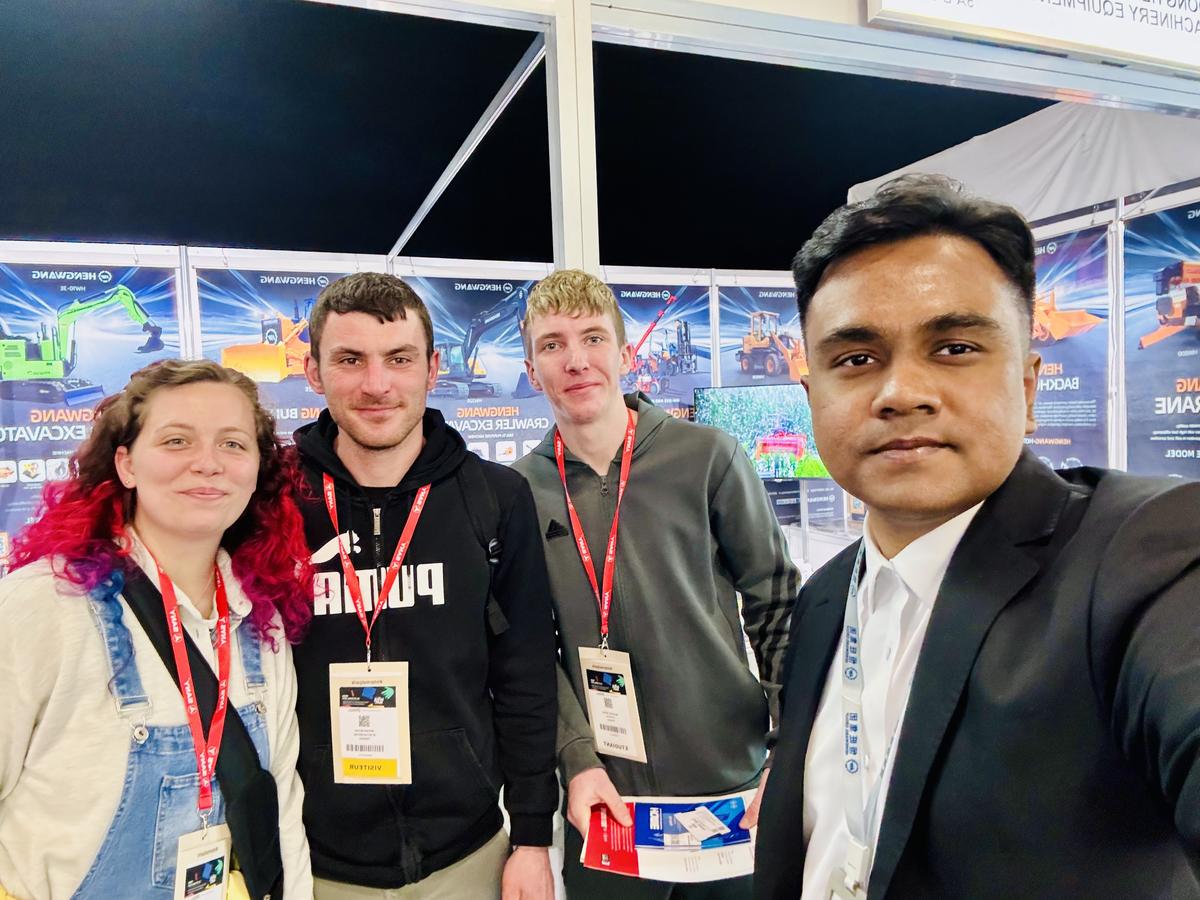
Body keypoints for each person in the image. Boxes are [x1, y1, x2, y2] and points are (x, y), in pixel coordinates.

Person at [754, 175, 1200, 900]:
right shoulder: (826, 600)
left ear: (1027, 386)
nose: (901, 393)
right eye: (857, 359)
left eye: (954, 347)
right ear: (814, 398)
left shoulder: (1140, 559)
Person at [513, 269, 801, 899]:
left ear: (625, 354)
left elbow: (775, 604)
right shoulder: (518, 493)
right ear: (532, 371)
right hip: (604, 800)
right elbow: (526, 650)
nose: (576, 360)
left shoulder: (708, 457)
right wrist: (576, 757)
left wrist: (789, 745)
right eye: (553, 345)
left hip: (730, 787)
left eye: (593, 338)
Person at [0, 359, 314, 899]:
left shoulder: (257, 621)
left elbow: (283, 812)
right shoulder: (47, 603)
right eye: (176, 441)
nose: (207, 464)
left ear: (257, 468)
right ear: (126, 464)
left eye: (233, 444)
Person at [292, 272, 558, 900]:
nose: (376, 384)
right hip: (312, 861)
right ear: (313, 372)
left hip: (467, 853)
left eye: (399, 358)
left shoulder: (496, 497)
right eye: (350, 360)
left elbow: (524, 674)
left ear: (433, 368)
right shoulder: (272, 502)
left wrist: (531, 836)